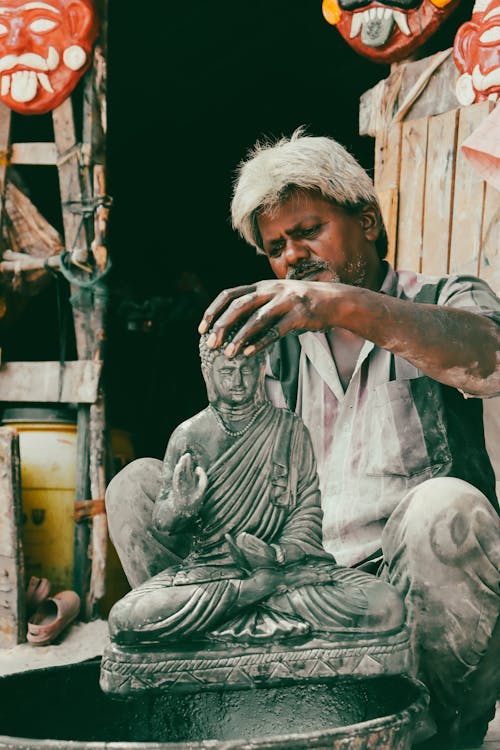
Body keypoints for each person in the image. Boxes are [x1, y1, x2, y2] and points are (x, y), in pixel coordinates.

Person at [197, 129, 500, 748]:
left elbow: (490, 358)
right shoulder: (273, 345)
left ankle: (435, 733)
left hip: (408, 595)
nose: (293, 255)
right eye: (277, 246)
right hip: (301, 588)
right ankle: (236, 716)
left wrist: (339, 305)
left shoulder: (446, 298)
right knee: (138, 490)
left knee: (447, 508)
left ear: (367, 222)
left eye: (308, 230)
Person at [106, 331, 404, 648]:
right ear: (209, 373)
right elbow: (164, 522)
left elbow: (307, 514)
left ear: (261, 367)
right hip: (214, 576)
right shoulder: (189, 435)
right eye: (227, 371)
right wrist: (183, 505)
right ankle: (253, 594)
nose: (238, 381)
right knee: (127, 618)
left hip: (285, 575)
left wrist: (276, 554)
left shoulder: (289, 429)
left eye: (247, 370)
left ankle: (245, 604)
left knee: (384, 604)